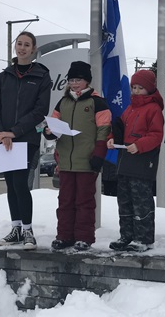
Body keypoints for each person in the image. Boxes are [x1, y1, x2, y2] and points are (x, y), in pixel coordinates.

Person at [0, 31, 52, 250]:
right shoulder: (5, 75)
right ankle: (15, 229)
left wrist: (14, 132)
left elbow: (40, 110)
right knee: (10, 186)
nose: (22, 48)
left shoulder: (42, 75)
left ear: (33, 49)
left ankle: (28, 231)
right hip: (4, 140)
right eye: (19, 44)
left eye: (27, 45)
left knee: (20, 184)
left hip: (25, 139)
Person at [45, 61, 111, 252]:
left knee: (84, 201)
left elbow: (104, 129)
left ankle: (84, 237)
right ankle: (64, 236)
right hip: (65, 160)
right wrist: (49, 132)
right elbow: (52, 124)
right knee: (65, 201)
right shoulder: (63, 102)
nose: (74, 83)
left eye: (78, 80)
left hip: (87, 160)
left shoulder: (97, 102)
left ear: (87, 81)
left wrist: (99, 154)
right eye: (71, 80)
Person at [107, 70, 164, 252]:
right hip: (125, 161)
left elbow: (156, 135)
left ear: (149, 89)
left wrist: (139, 145)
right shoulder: (129, 109)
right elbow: (119, 129)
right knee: (124, 200)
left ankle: (143, 238)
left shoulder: (153, 109)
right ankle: (127, 235)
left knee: (141, 200)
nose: (137, 91)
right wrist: (112, 139)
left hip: (142, 160)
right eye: (134, 87)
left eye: (141, 88)